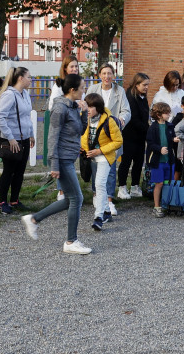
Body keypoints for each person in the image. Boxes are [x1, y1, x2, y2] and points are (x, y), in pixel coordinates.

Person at [22, 74, 91, 254]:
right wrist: (54, 165)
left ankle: (34, 219)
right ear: (72, 90)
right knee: (77, 198)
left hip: (69, 157)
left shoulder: (73, 106)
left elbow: (80, 131)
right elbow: (52, 137)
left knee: (70, 199)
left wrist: (84, 114)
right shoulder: (60, 108)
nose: (84, 91)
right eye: (83, 88)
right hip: (62, 159)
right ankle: (70, 242)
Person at [86, 63, 131, 218]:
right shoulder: (92, 90)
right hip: (94, 134)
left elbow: (126, 110)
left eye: (109, 73)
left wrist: (122, 119)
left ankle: (109, 199)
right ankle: (96, 195)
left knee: (111, 168)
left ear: (114, 75)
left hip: (111, 134)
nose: (107, 76)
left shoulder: (119, 91)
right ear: (99, 75)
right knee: (95, 166)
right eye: (104, 73)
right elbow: (86, 109)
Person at [0, 67, 35, 214]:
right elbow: (0, 117)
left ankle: (15, 200)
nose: (31, 80)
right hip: (11, 140)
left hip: (23, 139)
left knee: (20, 171)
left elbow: (27, 116)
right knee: (9, 171)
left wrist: (30, 134)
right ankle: (3, 202)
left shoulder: (24, 94)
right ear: (20, 78)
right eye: (29, 77)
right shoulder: (9, 95)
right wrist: (11, 138)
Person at [81, 93, 123, 231]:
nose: (88, 109)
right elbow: (82, 136)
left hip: (105, 156)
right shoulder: (85, 119)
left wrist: (100, 151)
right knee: (100, 185)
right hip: (91, 156)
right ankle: (106, 211)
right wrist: (84, 150)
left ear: (98, 108)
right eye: (87, 106)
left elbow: (118, 141)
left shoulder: (108, 121)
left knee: (99, 184)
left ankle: (98, 217)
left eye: (91, 107)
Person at [48, 55, 81, 202]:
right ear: (65, 68)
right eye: (71, 66)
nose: (74, 69)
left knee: (68, 158)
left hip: (74, 121)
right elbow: (54, 105)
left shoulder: (79, 83)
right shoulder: (59, 86)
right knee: (61, 157)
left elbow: (80, 100)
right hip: (64, 122)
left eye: (76, 66)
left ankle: (67, 191)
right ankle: (61, 190)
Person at [117, 73, 150, 200]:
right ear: (136, 85)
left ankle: (135, 186)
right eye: (144, 85)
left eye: (147, 85)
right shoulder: (130, 97)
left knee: (138, 162)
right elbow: (134, 118)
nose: (147, 87)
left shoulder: (143, 97)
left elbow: (145, 114)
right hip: (129, 135)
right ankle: (122, 187)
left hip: (140, 136)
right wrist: (148, 129)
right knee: (126, 162)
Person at [146, 102, 178, 218]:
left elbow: (171, 138)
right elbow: (150, 144)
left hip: (168, 160)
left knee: (167, 183)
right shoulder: (153, 128)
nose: (169, 115)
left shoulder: (170, 126)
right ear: (159, 115)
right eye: (166, 113)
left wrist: (174, 139)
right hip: (157, 161)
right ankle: (157, 206)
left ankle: (166, 204)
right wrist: (159, 149)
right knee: (158, 183)